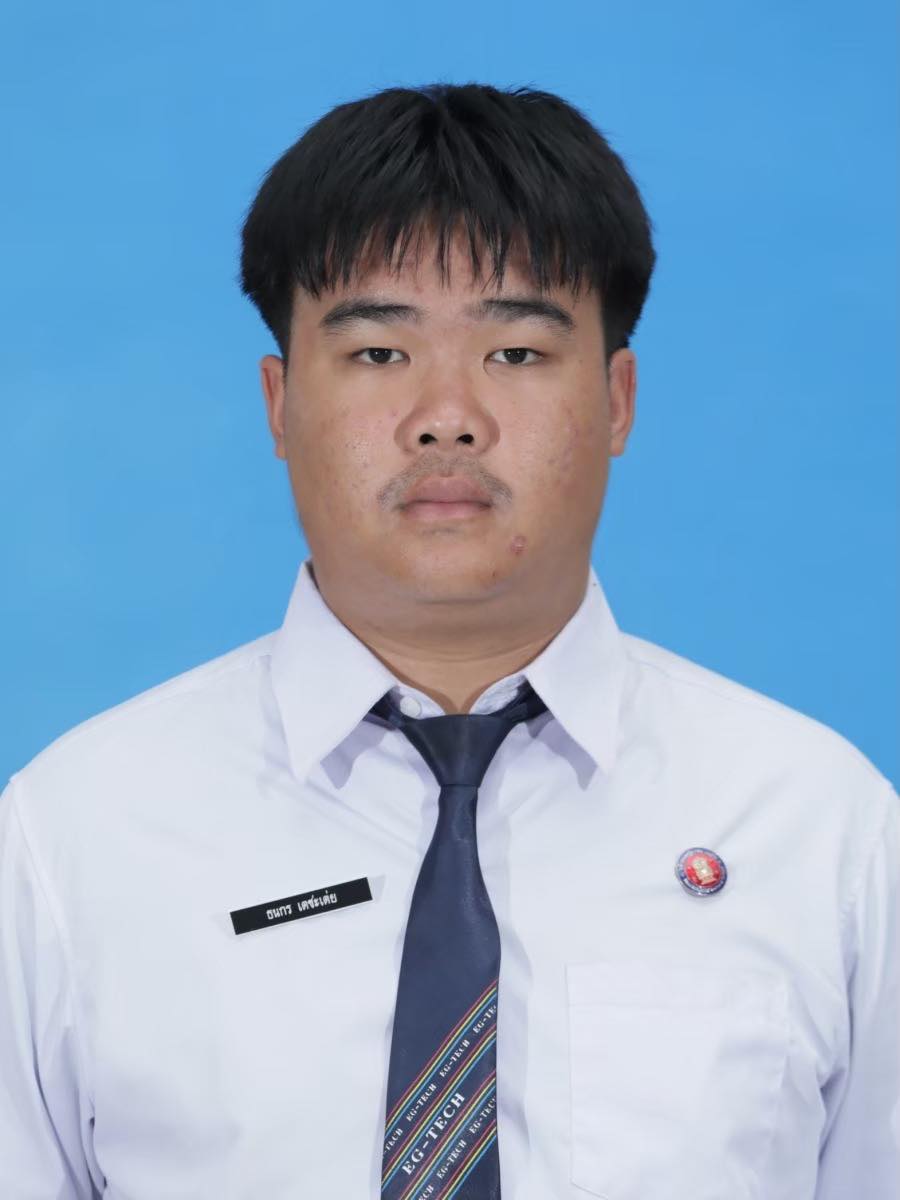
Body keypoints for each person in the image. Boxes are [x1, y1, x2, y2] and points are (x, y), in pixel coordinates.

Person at [0, 82, 896, 1200]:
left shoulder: (821, 830)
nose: (446, 417)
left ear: (617, 400)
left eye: (515, 353)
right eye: (379, 353)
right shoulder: (71, 840)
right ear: (279, 404)